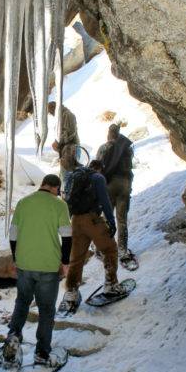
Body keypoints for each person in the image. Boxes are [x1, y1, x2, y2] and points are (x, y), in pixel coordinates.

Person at [2, 174, 72, 367]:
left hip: (25, 263)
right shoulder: (59, 205)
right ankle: (42, 352)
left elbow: (13, 234)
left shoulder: (23, 203)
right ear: (56, 188)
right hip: (48, 266)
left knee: (22, 302)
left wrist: (16, 258)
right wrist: (65, 262)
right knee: (47, 310)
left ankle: (13, 337)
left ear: (42, 185)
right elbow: (67, 236)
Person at [59, 159, 122, 313]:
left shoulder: (74, 177)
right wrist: (112, 222)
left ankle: (71, 292)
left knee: (76, 258)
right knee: (110, 249)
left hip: (76, 221)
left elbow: (66, 201)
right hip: (92, 219)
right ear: (99, 168)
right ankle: (111, 284)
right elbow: (105, 201)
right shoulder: (98, 178)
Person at [96, 124, 134, 263]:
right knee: (122, 220)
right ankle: (123, 251)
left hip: (109, 186)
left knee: (106, 219)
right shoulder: (127, 148)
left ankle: (102, 249)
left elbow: (97, 166)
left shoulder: (104, 148)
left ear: (109, 134)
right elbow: (129, 167)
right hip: (124, 185)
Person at [48, 101, 80, 183]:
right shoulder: (61, 116)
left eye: (51, 112)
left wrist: (58, 142)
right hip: (66, 150)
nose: (51, 114)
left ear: (54, 108)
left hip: (71, 149)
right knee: (65, 176)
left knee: (67, 177)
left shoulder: (68, 115)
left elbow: (70, 133)